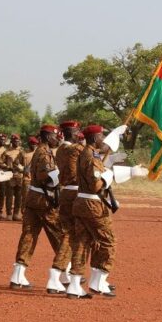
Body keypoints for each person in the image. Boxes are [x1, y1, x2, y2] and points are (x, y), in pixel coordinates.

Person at [66, 124, 120, 299]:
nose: (103, 139)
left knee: (82, 243)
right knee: (108, 241)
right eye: (101, 136)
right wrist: (108, 177)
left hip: (82, 203)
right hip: (92, 205)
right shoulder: (90, 156)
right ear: (94, 138)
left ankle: (74, 285)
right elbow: (96, 185)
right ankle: (99, 280)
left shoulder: (88, 154)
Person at [9, 125, 63, 290]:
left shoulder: (42, 151)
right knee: (60, 235)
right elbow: (44, 178)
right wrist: (62, 175)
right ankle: (66, 274)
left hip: (34, 199)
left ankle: (18, 275)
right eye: (55, 136)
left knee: (29, 236)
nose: (57, 139)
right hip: (43, 201)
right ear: (47, 137)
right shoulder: (44, 153)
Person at [48, 120, 83, 292]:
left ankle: (65, 274)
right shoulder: (72, 149)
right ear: (72, 132)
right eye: (77, 131)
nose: (79, 134)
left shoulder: (61, 149)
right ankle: (58, 273)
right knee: (72, 236)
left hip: (67, 192)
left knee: (71, 236)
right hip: (74, 193)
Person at [0, 134, 23, 221]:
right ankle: (9, 213)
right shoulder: (6, 152)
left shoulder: (22, 152)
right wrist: (8, 167)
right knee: (9, 196)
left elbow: (25, 164)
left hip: (20, 177)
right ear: (12, 142)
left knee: (19, 197)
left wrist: (22, 168)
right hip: (10, 176)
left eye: (18, 141)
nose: (16, 142)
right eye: (15, 141)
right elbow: (0, 162)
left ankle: (16, 214)